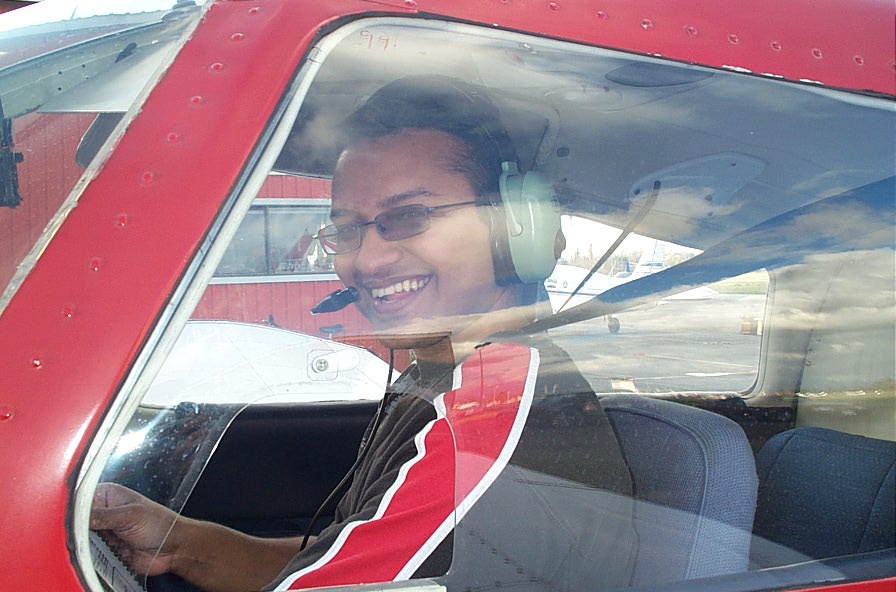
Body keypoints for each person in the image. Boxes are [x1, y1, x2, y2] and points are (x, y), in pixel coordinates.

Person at [91, 75, 636, 592]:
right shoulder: (437, 376)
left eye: (409, 216)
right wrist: (182, 546)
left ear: (518, 225)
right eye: (347, 229)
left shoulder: (497, 394)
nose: (367, 259)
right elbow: (340, 566)